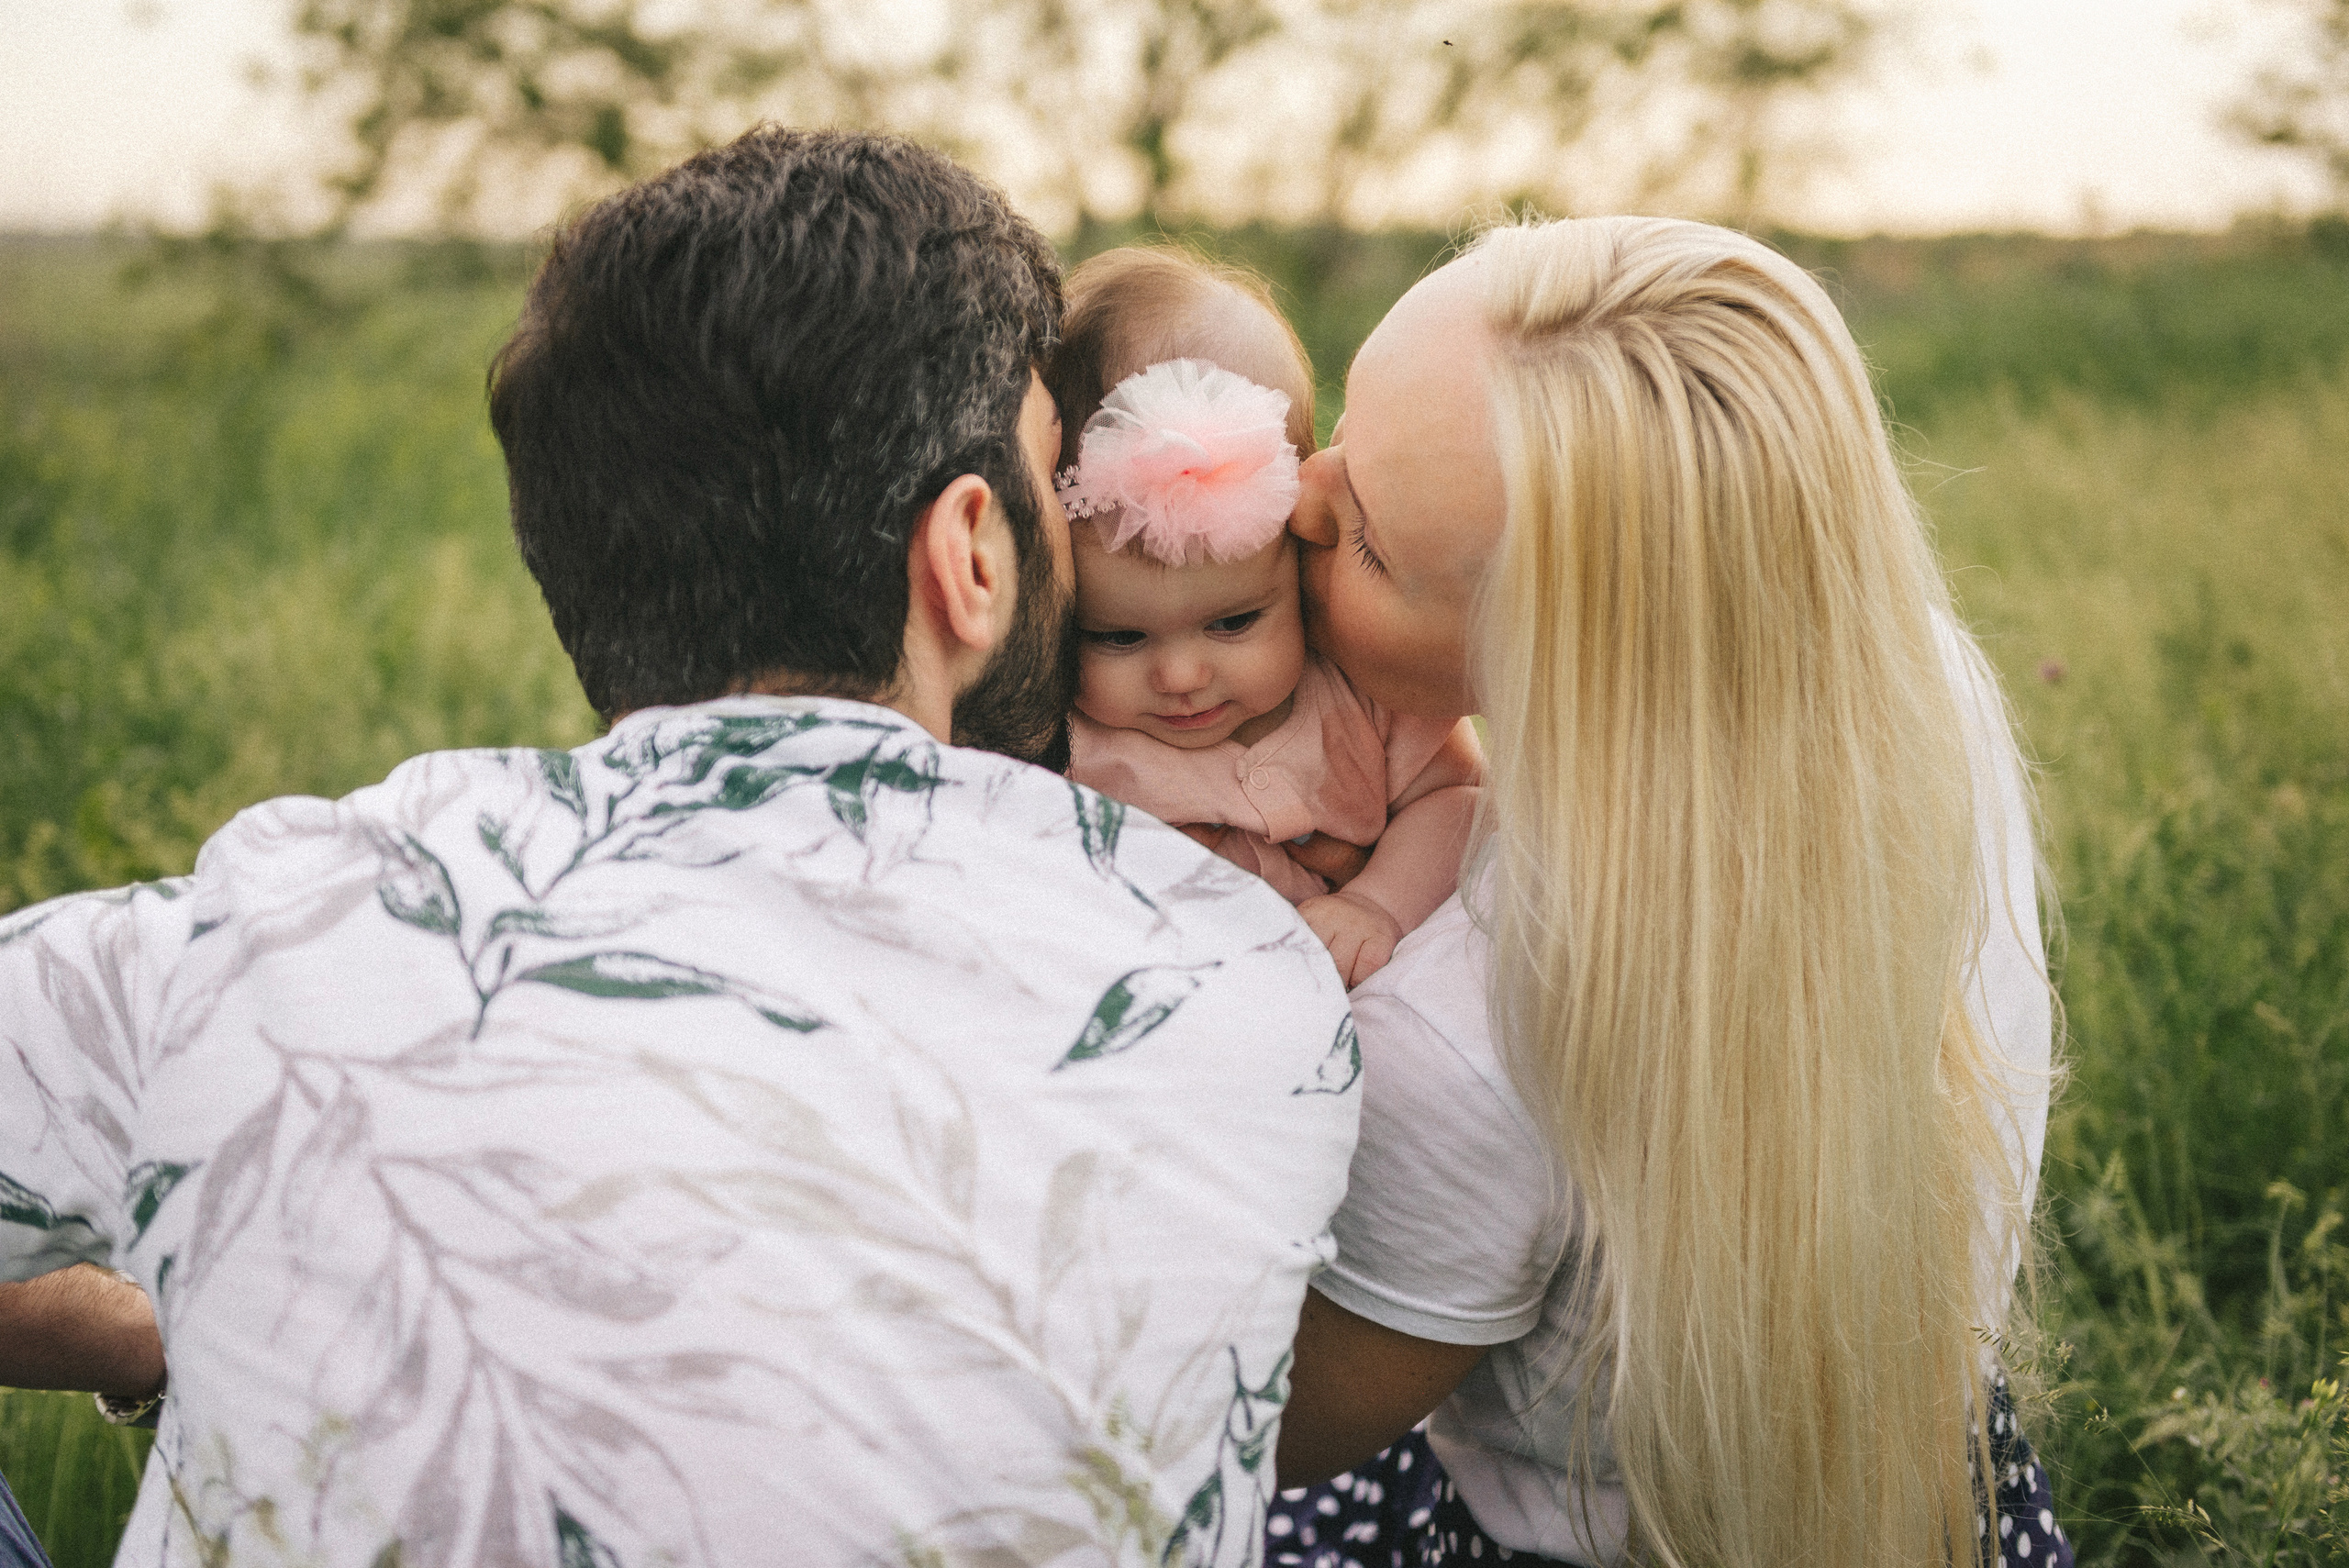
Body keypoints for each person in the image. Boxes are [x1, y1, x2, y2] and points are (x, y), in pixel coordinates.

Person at [0, 128, 1361, 1567]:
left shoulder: (265, 925)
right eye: (1051, 479)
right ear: (970, 553)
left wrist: (175, 1325)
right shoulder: (1255, 990)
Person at [1266, 217, 2068, 1568]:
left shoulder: (1467, 1040)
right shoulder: (1915, 686)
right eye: (1340, 420)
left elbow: (1262, 1429)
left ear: (1555, 667)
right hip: (1929, 1502)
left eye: (1373, 547)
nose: (1298, 498)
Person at [1050, 249, 1482, 986]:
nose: (1182, 676)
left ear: (1299, 550)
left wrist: (1379, 905)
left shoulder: (1360, 695)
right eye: (1118, 635)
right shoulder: (1061, 746)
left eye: (1234, 622)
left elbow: (1458, 801)